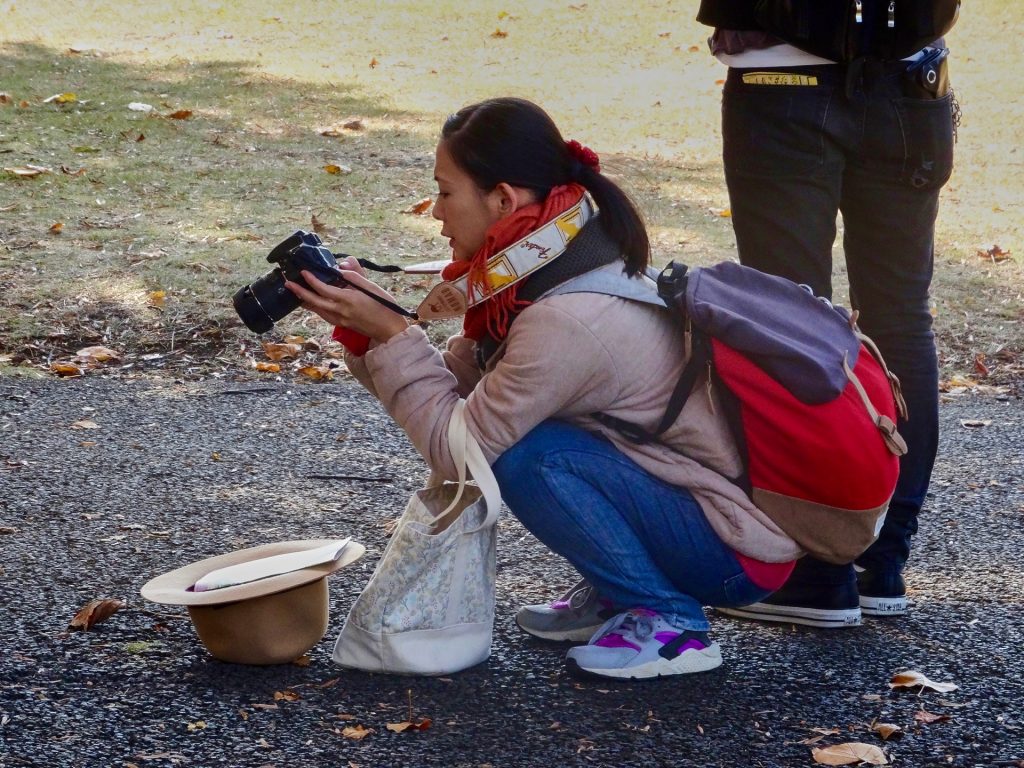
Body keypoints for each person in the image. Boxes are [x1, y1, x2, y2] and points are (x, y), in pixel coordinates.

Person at [284, 97, 800, 680]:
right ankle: (620, 594)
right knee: (524, 444)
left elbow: (462, 454)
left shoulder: (565, 316)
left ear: (504, 199)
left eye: (446, 193)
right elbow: (463, 397)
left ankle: (670, 621)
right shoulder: (552, 269)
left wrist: (395, 336)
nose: (435, 214)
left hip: (735, 553)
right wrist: (370, 334)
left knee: (525, 458)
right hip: (698, 514)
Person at [693, 1, 958, 627]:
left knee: (788, 324)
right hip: (910, 76)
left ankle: (820, 571)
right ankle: (881, 563)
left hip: (783, 76)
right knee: (900, 319)